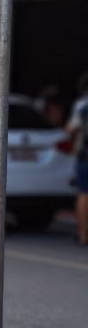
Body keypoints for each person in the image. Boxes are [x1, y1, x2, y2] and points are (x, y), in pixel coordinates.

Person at [67, 71, 88, 247]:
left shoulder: (82, 105)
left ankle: (83, 235)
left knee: (84, 193)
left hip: (85, 155)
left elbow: (71, 129)